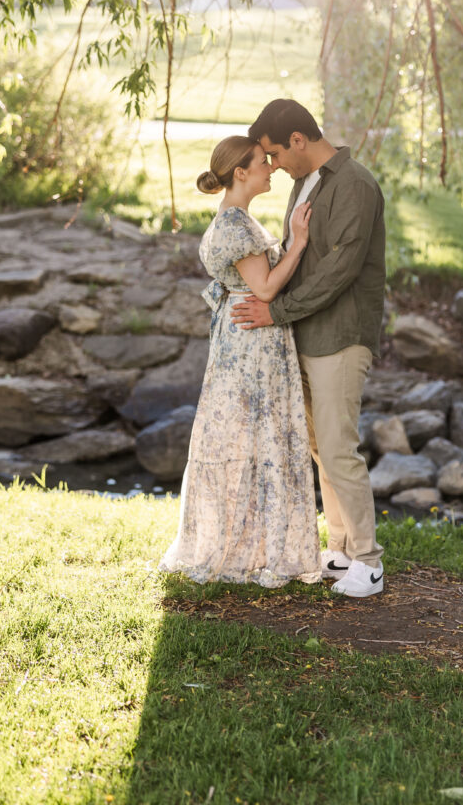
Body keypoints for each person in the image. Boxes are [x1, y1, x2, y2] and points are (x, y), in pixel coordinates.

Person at [231, 99, 386, 598]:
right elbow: (300, 255)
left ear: (299, 140)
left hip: (342, 335)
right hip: (308, 332)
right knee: (321, 449)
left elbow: (338, 272)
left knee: (340, 447)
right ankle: (340, 550)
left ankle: (369, 561)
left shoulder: (355, 184)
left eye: (275, 154)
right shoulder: (306, 183)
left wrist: (275, 311)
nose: (273, 166)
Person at [159, 135, 321, 588]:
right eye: (262, 162)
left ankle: (255, 544)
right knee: (257, 439)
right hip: (253, 345)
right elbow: (266, 289)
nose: (271, 167)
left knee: (248, 441)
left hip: (242, 341)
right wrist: (300, 241)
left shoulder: (235, 220)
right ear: (241, 173)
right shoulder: (235, 225)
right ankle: (243, 546)